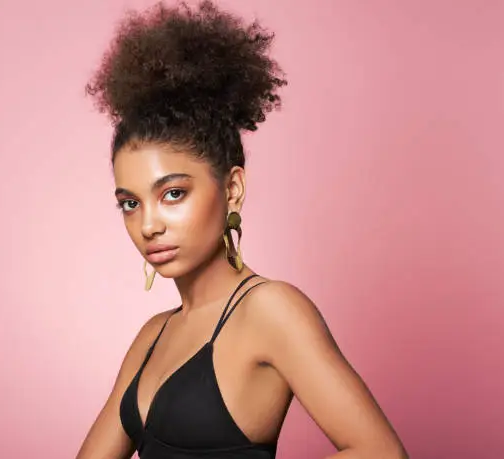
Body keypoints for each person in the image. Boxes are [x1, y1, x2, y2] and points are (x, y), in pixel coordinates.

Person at [76, 1, 408, 458]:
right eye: (130, 204)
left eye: (173, 193)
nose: (148, 225)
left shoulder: (271, 311)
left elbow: (380, 453)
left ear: (232, 189)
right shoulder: (152, 336)